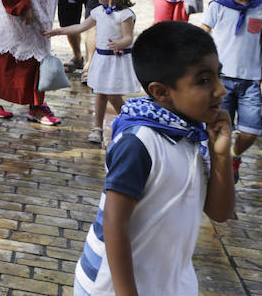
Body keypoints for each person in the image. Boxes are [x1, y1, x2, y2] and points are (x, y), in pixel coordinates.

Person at [73, 21, 234, 296]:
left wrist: (221, 155)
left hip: (170, 283)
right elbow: (114, 222)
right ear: (161, 92)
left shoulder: (194, 135)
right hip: (111, 288)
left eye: (219, 76)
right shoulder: (139, 142)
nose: (221, 90)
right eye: (204, 80)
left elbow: (220, 213)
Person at [45, 0, 140, 145]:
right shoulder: (98, 12)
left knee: (113, 95)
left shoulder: (125, 14)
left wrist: (119, 43)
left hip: (115, 60)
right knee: (100, 93)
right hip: (101, 59)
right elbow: (80, 27)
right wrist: (58, 31)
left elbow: (128, 38)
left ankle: (130, 122)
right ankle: (97, 128)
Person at [202, 0, 262, 183]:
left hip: (251, 82)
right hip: (222, 80)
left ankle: (234, 156)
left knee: (251, 131)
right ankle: (218, 166)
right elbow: (202, 35)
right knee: (217, 127)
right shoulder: (217, 6)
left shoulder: (260, 10)